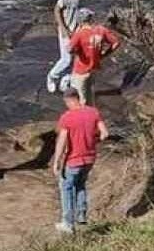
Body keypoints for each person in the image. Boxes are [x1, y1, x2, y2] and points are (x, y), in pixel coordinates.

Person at [52, 87, 108, 234]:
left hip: (73, 159)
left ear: (68, 100)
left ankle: (68, 223)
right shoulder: (93, 112)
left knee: (66, 188)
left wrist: (56, 161)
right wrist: (93, 140)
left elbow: (62, 140)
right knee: (81, 184)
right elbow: (105, 134)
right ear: (78, 97)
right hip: (90, 158)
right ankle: (81, 215)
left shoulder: (67, 117)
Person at [46, 0, 96, 95]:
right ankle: (52, 77)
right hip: (66, 30)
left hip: (76, 31)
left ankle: (65, 81)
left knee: (74, 58)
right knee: (66, 59)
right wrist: (63, 29)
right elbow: (57, 10)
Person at [67, 9, 120, 106]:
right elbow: (116, 42)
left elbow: (70, 49)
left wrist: (77, 51)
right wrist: (104, 54)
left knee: (80, 98)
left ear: (80, 21)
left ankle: (83, 118)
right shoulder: (100, 30)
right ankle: (91, 113)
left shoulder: (79, 34)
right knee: (90, 94)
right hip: (93, 68)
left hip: (80, 69)